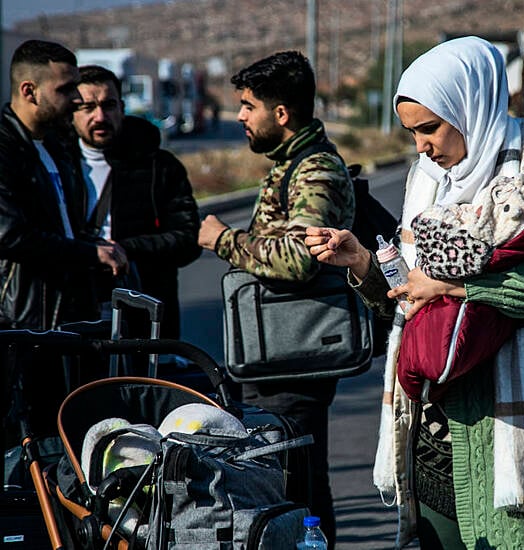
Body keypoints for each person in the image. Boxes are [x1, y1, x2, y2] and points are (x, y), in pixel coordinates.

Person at [305, 36, 524, 549]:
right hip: (437, 429)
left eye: (429, 129)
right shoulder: (428, 180)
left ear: (471, 106)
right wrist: (364, 264)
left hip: (517, 427)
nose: (421, 146)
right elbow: (409, 293)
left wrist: (454, 285)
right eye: (413, 132)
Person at [197, 51, 354, 549]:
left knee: (297, 494)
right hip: (276, 359)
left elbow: (299, 258)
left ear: (280, 113)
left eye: (248, 106)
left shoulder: (314, 170)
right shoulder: (289, 165)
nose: (240, 116)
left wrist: (224, 240)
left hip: (296, 363)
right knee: (286, 490)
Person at [0, 40, 128, 438]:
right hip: (23, 326)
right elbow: (10, 234)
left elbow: (64, 226)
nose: (76, 99)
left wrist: (94, 247)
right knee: (29, 449)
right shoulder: (5, 149)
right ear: (28, 90)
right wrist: (89, 253)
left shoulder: (57, 145)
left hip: (69, 321)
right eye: (65, 88)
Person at [71, 65, 201, 338]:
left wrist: (125, 250)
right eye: (87, 107)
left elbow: (188, 240)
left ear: (122, 106)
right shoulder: (54, 166)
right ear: (71, 110)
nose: (100, 116)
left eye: (108, 105)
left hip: (145, 318)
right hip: (72, 311)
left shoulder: (160, 167)